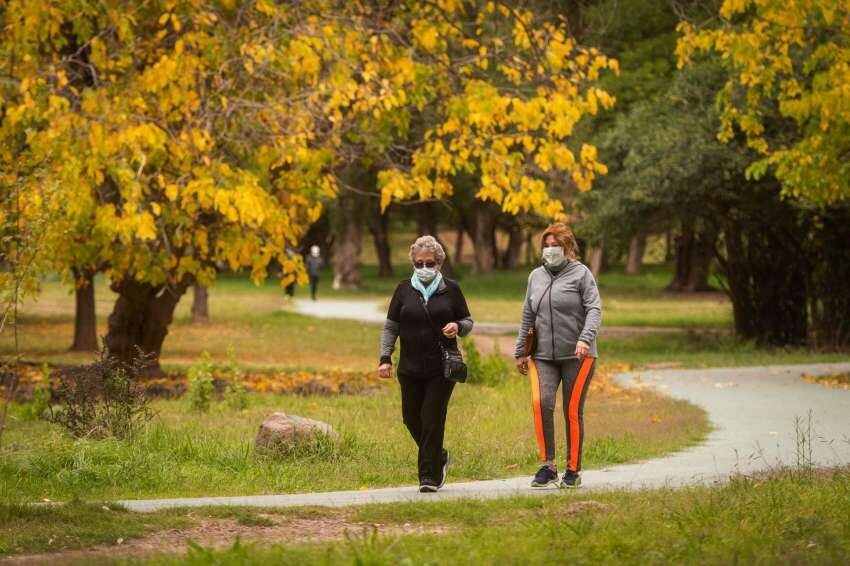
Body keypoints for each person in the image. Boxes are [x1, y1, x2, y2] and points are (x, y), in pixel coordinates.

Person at [378, 235, 474, 492]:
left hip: (441, 369)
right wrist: (385, 358)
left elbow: (467, 321)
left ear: (439, 263)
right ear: (413, 263)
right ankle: (439, 455)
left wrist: (458, 326)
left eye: (429, 263)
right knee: (411, 418)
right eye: (418, 263)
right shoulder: (403, 290)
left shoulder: (451, 289)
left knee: (431, 418)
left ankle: (429, 476)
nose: (424, 268)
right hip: (409, 368)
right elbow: (391, 328)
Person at [514, 223, 602, 489]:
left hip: (578, 356)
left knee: (572, 410)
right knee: (541, 403)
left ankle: (572, 470)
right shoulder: (535, 277)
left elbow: (594, 308)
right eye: (547, 245)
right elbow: (527, 314)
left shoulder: (581, 274)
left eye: (556, 246)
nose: (551, 250)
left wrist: (585, 339)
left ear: (568, 248)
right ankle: (548, 465)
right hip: (542, 356)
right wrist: (521, 351)